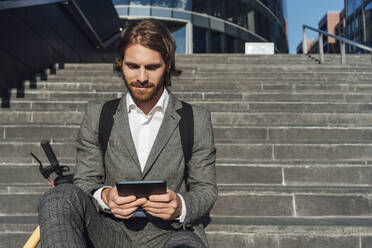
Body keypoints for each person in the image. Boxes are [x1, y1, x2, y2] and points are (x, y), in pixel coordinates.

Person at [38, 19, 217, 248]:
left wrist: (180, 205)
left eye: (152, 67)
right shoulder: (98, 115)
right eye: (133, 66)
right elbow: (85, 181)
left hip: (169, 234)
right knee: (58, 197)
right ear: (120, 63)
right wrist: (105, 197)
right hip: (106, 229)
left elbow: (206, 189)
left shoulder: (195, 118)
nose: (142, 77)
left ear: (168, 65)